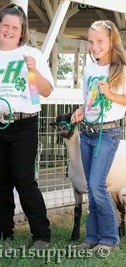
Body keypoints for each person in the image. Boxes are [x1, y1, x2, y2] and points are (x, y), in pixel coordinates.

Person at [0, 3, 54, 248]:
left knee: (24, 179)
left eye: (15, 27)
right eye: (5, 25)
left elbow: (46, 92)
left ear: (22, 31)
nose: (9, 30)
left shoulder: (32, 55)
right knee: (2, 181)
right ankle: (4, 234)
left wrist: (34, 72)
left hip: (24, 123)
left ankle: (41, 235)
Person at [71, 20, 126, 251]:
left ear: (111, 41)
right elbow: (89, 100)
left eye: (100, 41)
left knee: (96, 186)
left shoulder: (121, 67)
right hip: (87, 133)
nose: (94, 46)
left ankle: (110, 239)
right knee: (91, 189)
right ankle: (92, 238)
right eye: (91, 41)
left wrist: (111, 93)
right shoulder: (88, 69)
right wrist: (81, 111)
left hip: (108, 132)